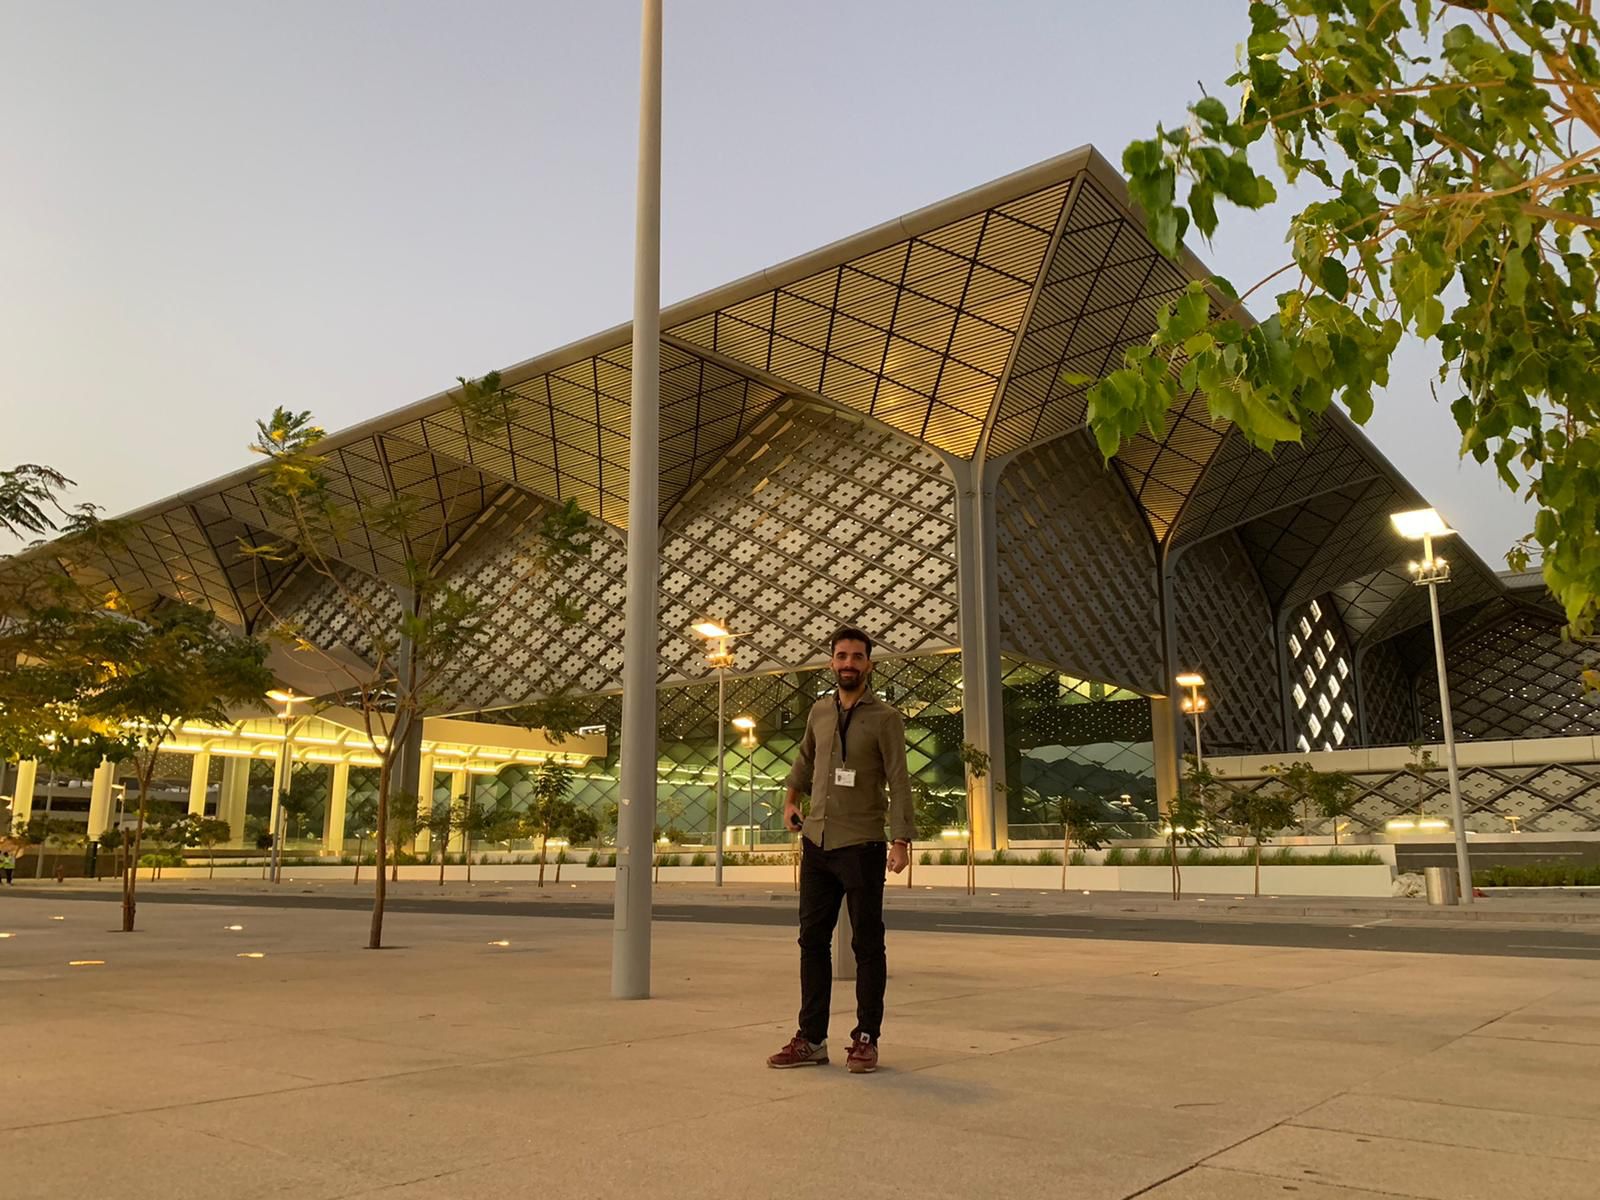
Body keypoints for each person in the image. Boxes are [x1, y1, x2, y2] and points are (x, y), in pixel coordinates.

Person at [767, 626, 913, 1075]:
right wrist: (791, 799)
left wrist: (901, 839)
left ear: (869, 664)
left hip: (862, 843)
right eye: (841, 656)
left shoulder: (885, 718)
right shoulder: (819, 711)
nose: (848, 663)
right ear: (832, 661)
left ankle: (866, 1038)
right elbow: (805, 760)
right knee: (812, 942)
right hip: (818, 841)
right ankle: (810, 1038)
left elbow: (899, 778)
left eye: (856, 657)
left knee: (867, 944)